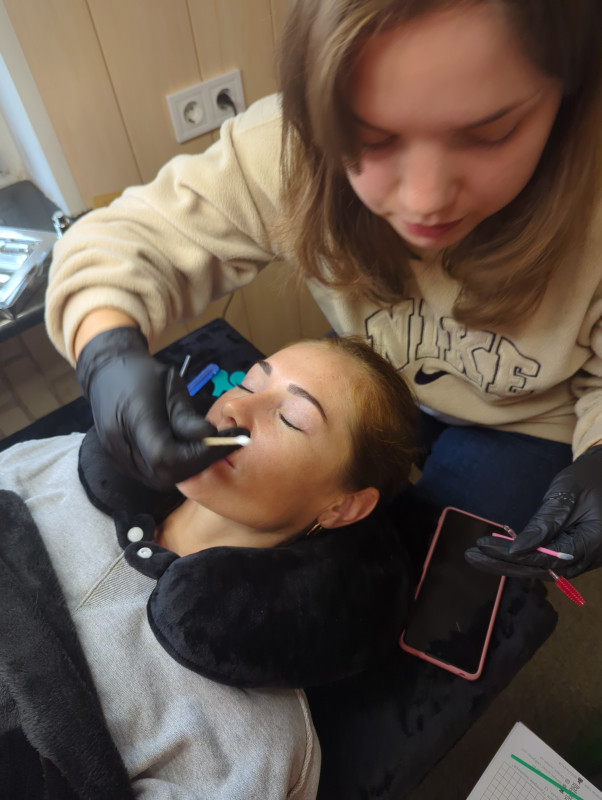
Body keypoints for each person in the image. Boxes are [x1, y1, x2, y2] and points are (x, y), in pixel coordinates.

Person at [45, 0, 602, 582]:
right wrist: (106, 354)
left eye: (490, 132)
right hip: (379, 376)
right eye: (372, 138)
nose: (425, 201)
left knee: (429, 578)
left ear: (569, 96)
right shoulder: (282, 148)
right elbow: (119, 244)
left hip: (525, 421)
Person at [0, 336, 416, 799]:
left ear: (342, 507)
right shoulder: (58, 462)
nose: (234, 407)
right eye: (249, 383)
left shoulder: (255, 747)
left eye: (290, 418)